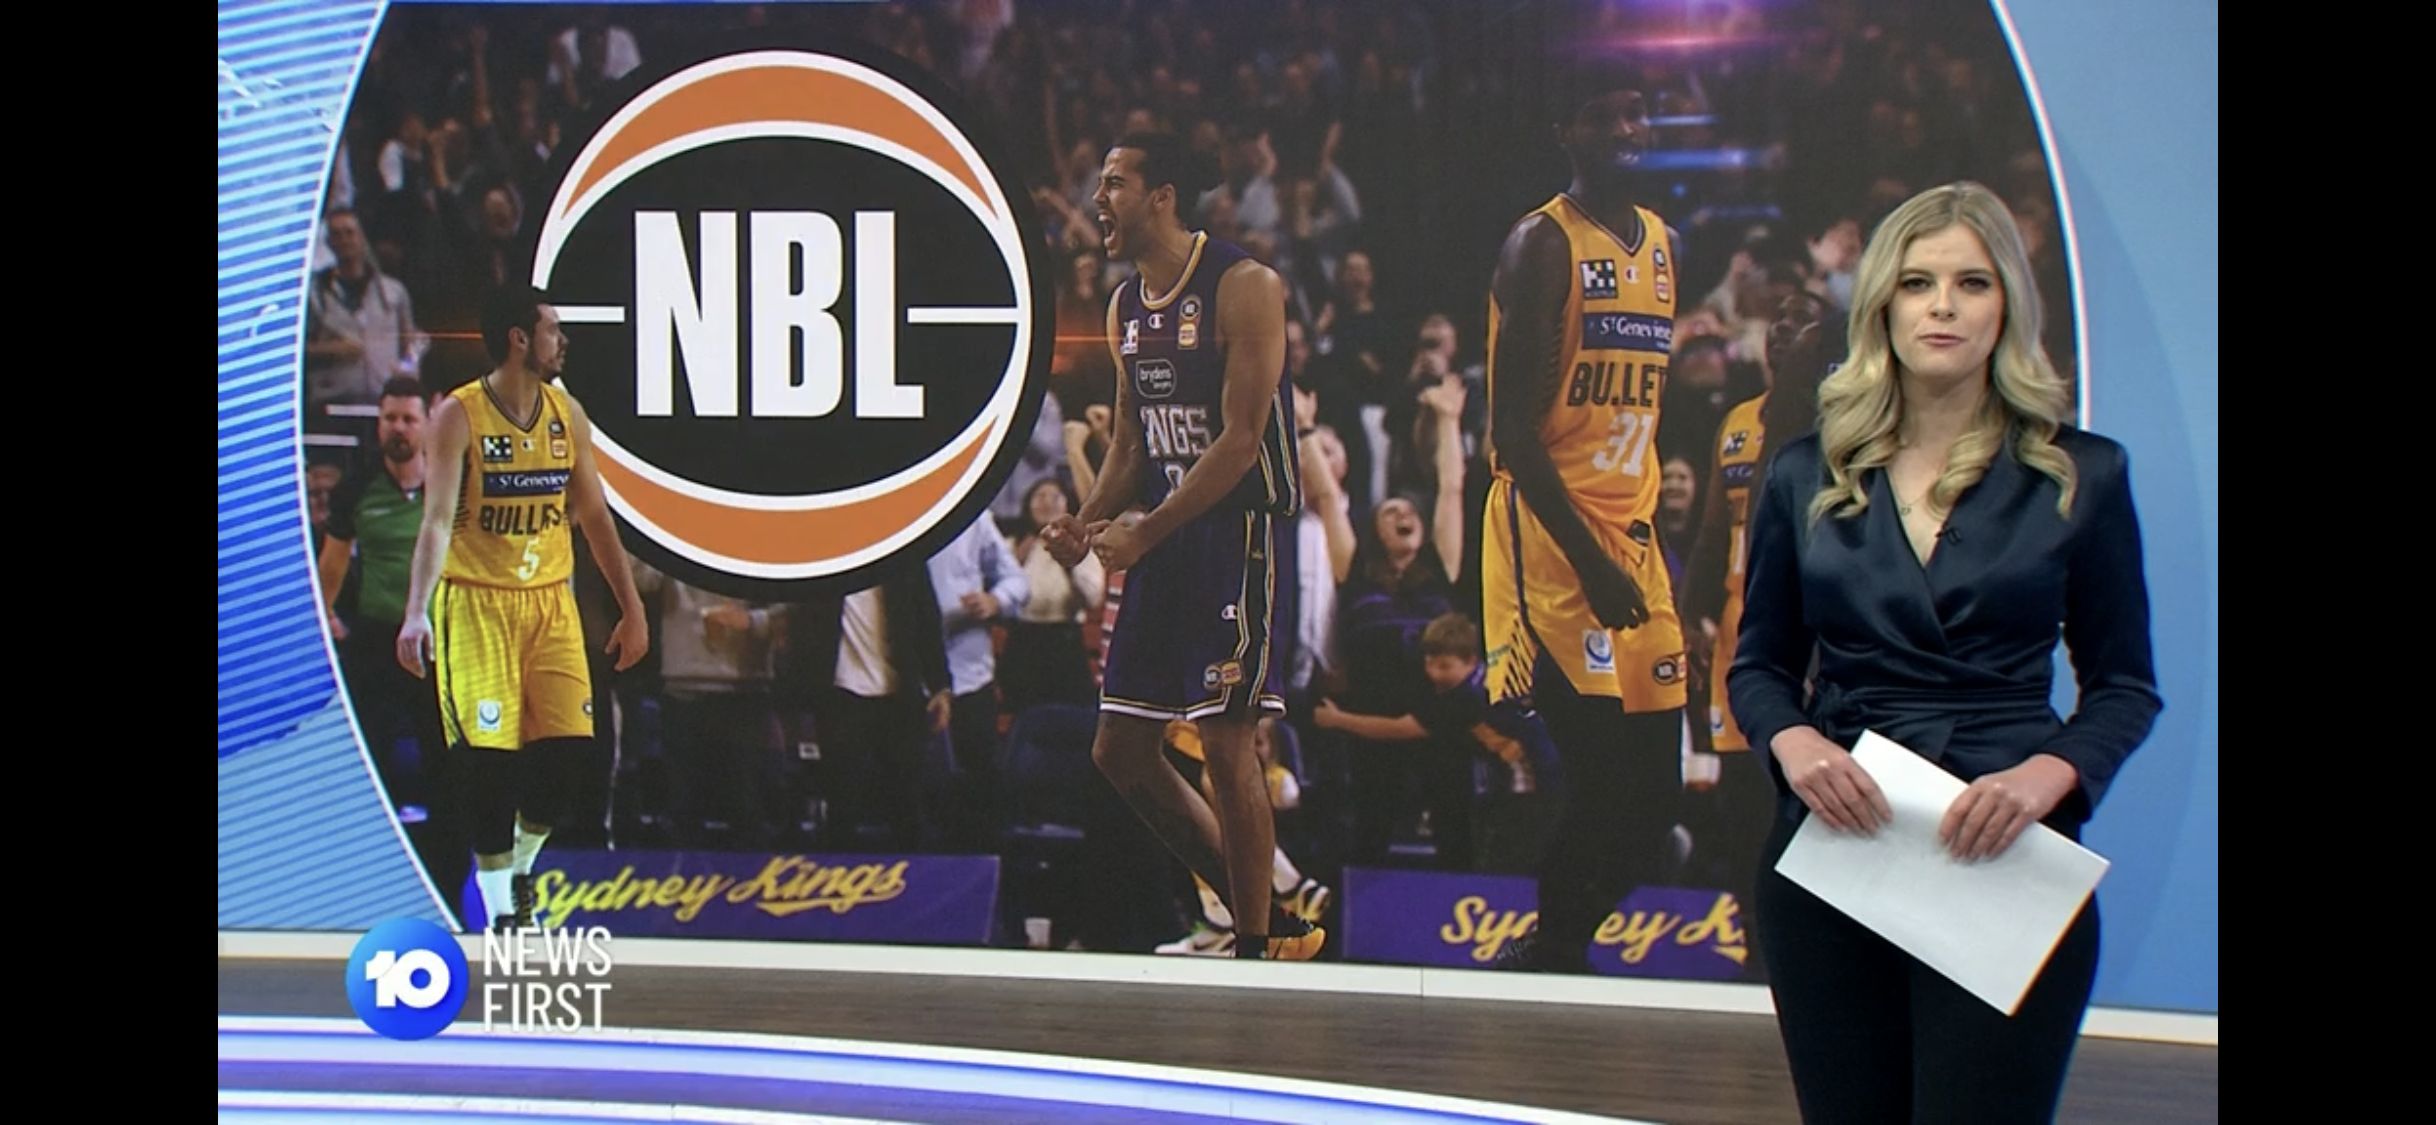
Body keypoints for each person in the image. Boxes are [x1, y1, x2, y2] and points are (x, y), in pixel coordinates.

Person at [1729, 181, 2162, 1123]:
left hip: (2003, 852)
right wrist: (1794, 744)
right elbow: (1759, 665)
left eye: (1972, 282)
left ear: (2008, 303)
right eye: (1918, 282)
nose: (1943, 306)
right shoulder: (1805, 471)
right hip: (1836, 850)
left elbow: (2125, 686)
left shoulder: (2082, 473)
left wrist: (2045, 778)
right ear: (1882, 303)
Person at [1042, 132, 1321, 960]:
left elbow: (1240, 440)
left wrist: (1145, 529)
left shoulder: (1246, 285)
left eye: (1114, 183)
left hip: (1238, 535)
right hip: (1165, 535)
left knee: (1228, 743)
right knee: (1120, 749)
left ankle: (1257, 941)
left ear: (1161, 196)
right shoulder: (1126, 307)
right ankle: (1262, 906)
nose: (1098, 200)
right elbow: (1133, 444)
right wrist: (1086, 520)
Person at [1478, 87, 1690, 972]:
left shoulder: (1665, 243)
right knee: (1602, 783)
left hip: (1633, 538)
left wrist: (1631, 553)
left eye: (1637, 112)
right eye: (1603, 115)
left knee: (1658, 804)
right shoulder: (1542, 243)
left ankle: (1551, 945)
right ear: (1565, 128)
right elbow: (1514, 435)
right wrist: (1593, 566)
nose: (1626, 130)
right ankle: (1554, 952)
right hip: (1552, 538)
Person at [395, 285, 650, 932]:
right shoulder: (458, 415)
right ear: (518, 339)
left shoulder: (567, 412)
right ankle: (503, 904)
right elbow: (435, 523)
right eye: (552, 329)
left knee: (572, 755)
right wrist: (416, 611)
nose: (562, 341)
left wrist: (631, 606)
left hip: (550, 602)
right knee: (489, 762)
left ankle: (521, 865)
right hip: (477, 604)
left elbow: (594, 515)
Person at [1677, 288, 1847, 959]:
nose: (1784, 329)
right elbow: (1714, 528)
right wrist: (1689, 612)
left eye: (1802, 319)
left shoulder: (1847, 417)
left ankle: (1814, 942)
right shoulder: (1738, 421)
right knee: (1744, 798)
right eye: (1776, 319)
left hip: (1816, 629)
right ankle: (1753, 940)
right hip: (1740, 626)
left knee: (1806, 790)